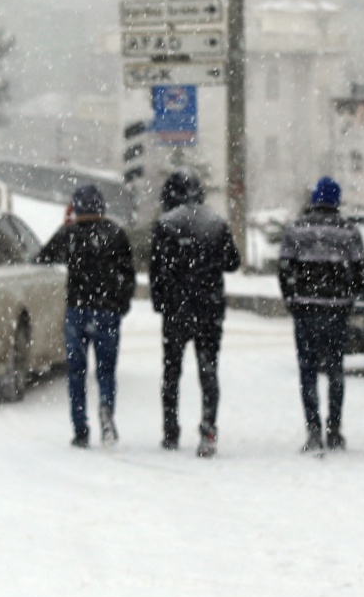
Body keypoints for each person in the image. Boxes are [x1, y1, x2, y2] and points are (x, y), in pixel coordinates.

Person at [35, 183, 136, 448]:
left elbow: (42, 258)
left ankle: (80, 429)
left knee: (77, 372)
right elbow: (127, 275)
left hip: (77, 310)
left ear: (76, 207)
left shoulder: (70, 234)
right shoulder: (115, 233)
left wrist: (66, 224)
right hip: (107, 311)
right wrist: (121, 305)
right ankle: (106, 409)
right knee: (106, 370)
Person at [149, 169, 241, 458]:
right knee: (208, 369)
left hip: (177, 309)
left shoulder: (165, 225)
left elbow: (156, 271)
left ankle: (170, 430)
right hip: (209, 307)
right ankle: (208, 428)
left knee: (172, 371)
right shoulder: (215, 223)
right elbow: (232, 263)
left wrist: (161, 302)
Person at [277, 176, 364, 455]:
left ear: (315, 199)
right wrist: (348, 297)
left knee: (307, 370)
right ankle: (334, 430)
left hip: (305, 310)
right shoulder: (349, 232)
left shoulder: (296, 229)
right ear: (336, 201)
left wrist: (292, 298)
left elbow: (284, 268)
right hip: (336, 310)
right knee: (335, 370)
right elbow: (362, 272)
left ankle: (313, 429)